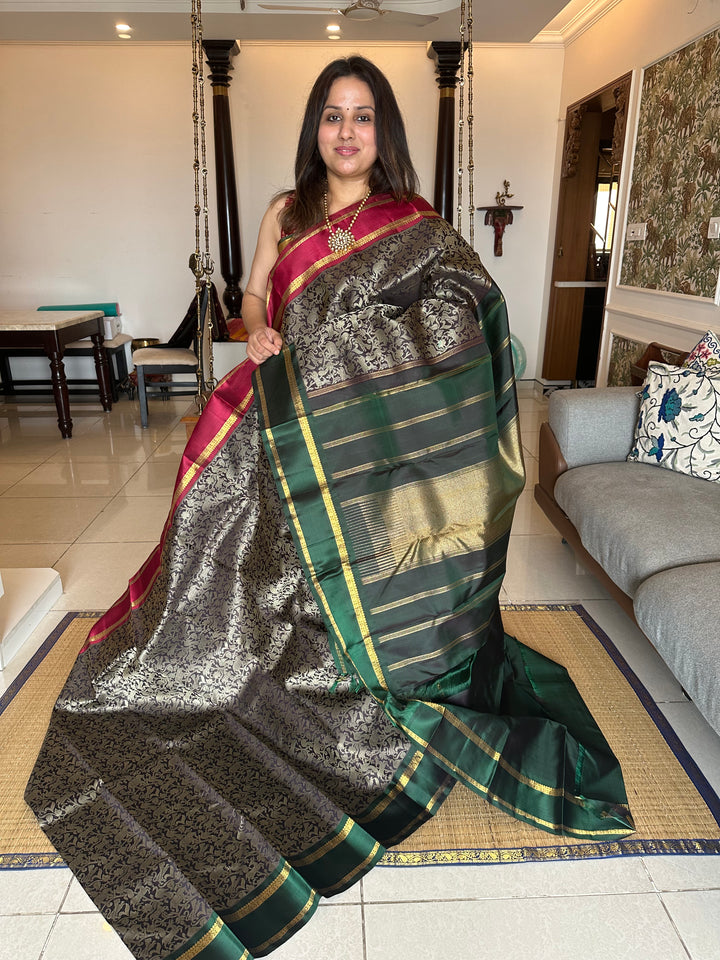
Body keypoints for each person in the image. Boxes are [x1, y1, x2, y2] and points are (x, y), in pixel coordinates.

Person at [26, 56, 633, 960]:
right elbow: (255, 295)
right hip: (288, 417)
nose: (347, 132)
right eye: (332, 117)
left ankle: (365, 666)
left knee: (377, 554)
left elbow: (467, 307)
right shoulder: (286, 211)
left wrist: (377, 346)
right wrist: (259, 325)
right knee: (228, 546)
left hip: (371, 435)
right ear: (315, 129)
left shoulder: (417, 227)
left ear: (383, 131)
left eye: (363, 117)